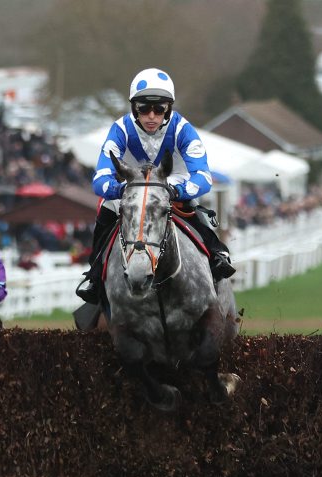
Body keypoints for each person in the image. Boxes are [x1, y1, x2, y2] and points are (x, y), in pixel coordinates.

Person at [76, 68, 235, 305]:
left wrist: (178, 191)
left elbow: (203, 177)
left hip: (172, 185)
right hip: (131, 186)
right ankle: (95, 273)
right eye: (144, 109)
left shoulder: (182, 129)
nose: (151, 116)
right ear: (134, 108)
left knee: (191, 204)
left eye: (159, 109)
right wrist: (120, 189)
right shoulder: (120, 129)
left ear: (168, 109)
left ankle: (217, 254)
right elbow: (100, 179)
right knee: (107, 206)